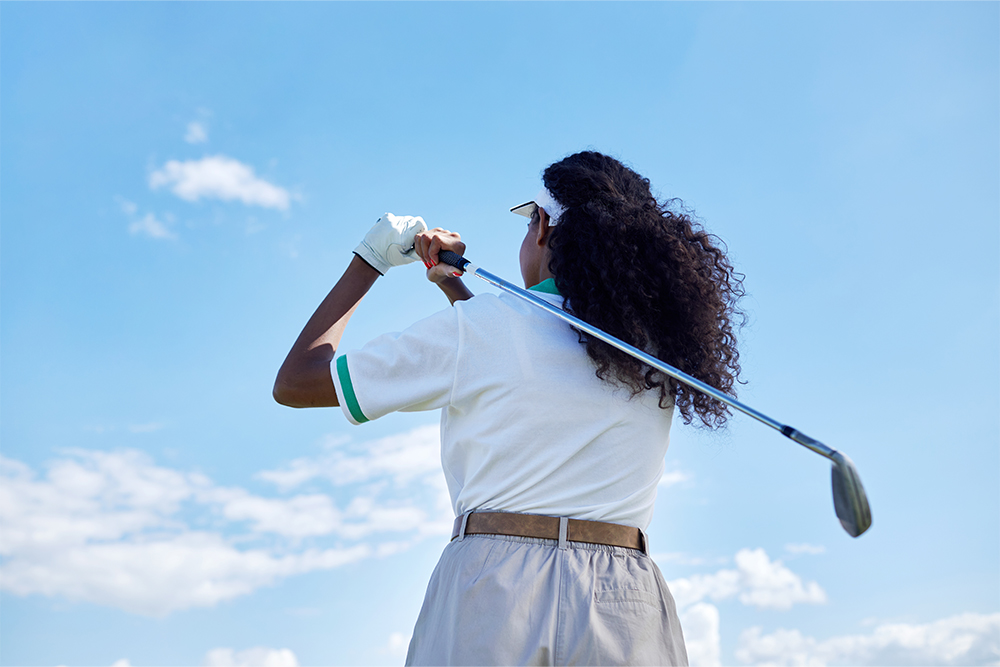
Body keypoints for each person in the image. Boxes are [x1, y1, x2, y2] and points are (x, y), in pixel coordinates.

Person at [274, 151, 745, 666]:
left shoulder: (484, 332)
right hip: (623, 594)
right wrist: (453, 287)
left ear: (542, 227)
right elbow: (528, 363)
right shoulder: (655, 352)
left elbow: (296, 382)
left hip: (494, 584)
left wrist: (372, 258)